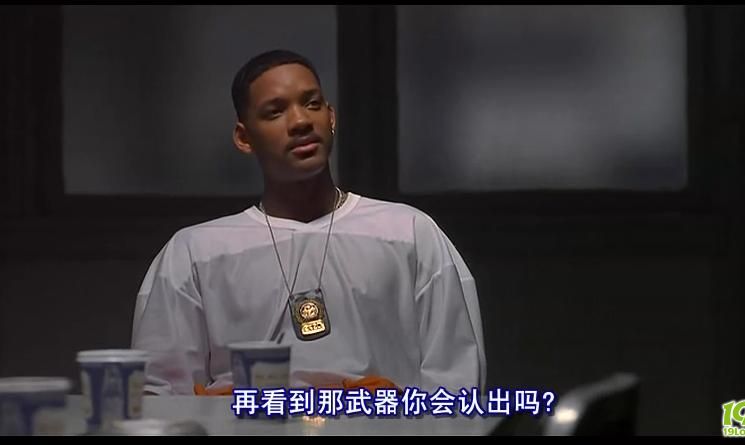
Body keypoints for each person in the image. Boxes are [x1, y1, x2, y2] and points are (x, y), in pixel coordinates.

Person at [131, 49, 486, 396]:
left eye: (312, 104)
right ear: (244, 137)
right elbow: (160, 393)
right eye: (275, 112)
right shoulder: (195, 253)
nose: (301, 121)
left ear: (331, 117)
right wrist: (217, 412)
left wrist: (397, 409)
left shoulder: (408, 233)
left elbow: (456, 382)